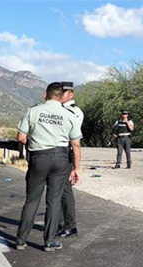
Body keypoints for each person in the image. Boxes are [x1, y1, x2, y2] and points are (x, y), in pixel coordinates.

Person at [15, 82, 82, 252]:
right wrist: (76, 168)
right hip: (60, 158)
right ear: (61, 97)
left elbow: (21, 137)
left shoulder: (33, 111)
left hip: (39, 157)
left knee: (32, 200)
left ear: (46, 94)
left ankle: (21, 240)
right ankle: (49, 241)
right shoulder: (69, 115)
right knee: (54, 200)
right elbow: (76, 145)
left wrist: (34, 142)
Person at [57, 81, 83, 238]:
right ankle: (59, 223)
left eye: (63, 93)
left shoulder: (74, 111)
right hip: (58, 152)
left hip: (66, 151)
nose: (60, 96)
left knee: (65, 190)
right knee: (57, 189)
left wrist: (76, 166)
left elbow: (73, 138)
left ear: (71, 94)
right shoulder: (60, 109)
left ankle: (70, 225)